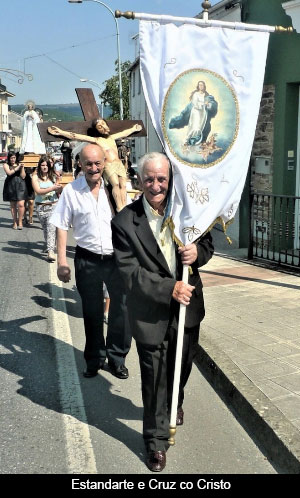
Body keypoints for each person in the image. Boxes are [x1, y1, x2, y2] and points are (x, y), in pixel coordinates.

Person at [111, 152, 214, 472]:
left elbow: (207, 244)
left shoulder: (187, 211)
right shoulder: (124, 221)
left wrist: (198, 252)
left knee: (180, 369)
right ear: (139, 180)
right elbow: (129, 274)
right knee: (154, 379)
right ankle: (155, 441)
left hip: (187, 311)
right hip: (149, 314)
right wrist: (168, 287)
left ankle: (176, 401)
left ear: (170, 181)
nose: (156, 185)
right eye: (150, 179)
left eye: (162, 179)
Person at [50, 143, 131, 380]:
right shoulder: (71, 191)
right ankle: (95, 358)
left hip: (117, 258)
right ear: (80, 164)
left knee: (121, 309)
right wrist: (61, 262)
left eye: (98, 163)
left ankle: (117, 359)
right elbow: (62, 226)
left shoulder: (118, 188)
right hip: (88, 258)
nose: (94, 168)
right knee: (92, 310)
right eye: (89, 163)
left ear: (104, 163)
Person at [47, 119, 142, 212]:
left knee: (123, 185)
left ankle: (124, 205)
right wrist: (61, 132)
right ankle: (119, 207)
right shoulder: (96, 140)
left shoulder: (112, 138)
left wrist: (134, 129)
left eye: (103, 124)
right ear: (97, 130)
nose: (103, 127)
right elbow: (76, 136)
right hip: (108, 165)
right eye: (100, 127)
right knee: (116, 184)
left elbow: (124, 133)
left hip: (118, 164)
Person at [169, 80, 218, 146]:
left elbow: (210, 103)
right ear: (198, 86)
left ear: (204, 86)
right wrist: (204, 103)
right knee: (195, 127)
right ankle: (187, 141)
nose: (201, 86)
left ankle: (195, 142)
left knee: (200, 127)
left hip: (203, 113)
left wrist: (208, 104)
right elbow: (195, 103)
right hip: (196, 112)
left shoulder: (206, 95)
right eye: (200, 85)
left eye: (202, 85)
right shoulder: (196, 94)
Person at [31, 156, 62, 261]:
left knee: (51, 228)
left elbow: (57, 190)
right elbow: (38, 191)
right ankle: (50, 246)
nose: (44, 167)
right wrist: (52, 188)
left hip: (53, 205)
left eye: (46, 165)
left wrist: (58, 182)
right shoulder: (35, 177)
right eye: (42, 165)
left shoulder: (52, 176)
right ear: (39, 166)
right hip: (41, 207)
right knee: (46, 229)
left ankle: (50, 251)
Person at [3, 151, 28, 230]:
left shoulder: (20, 164)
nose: (13, 159)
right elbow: (9, 173)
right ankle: (14, 221)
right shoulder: (6, 165)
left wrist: (22, 168)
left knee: (21, 204)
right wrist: (17, 168)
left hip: (20, 185)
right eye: (11, 158)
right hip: (11, 185)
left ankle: (20, 221)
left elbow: (23, 176)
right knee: (13, 204)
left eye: (14, 157)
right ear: (9, 158)